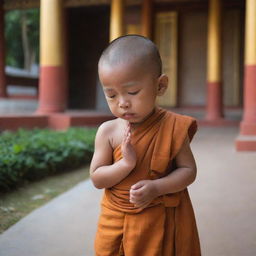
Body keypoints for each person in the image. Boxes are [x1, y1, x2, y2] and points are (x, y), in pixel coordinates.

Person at [90, 35, 201, 256]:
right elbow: (97, 178)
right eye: (111, 95)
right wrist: (125, 165)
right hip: (115, 219)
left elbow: (188, 171)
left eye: (132, 92)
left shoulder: (172, 126)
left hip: (158, 218)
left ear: (160, 86)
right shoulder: (108, 131)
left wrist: (156, 188)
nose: (122, 102)